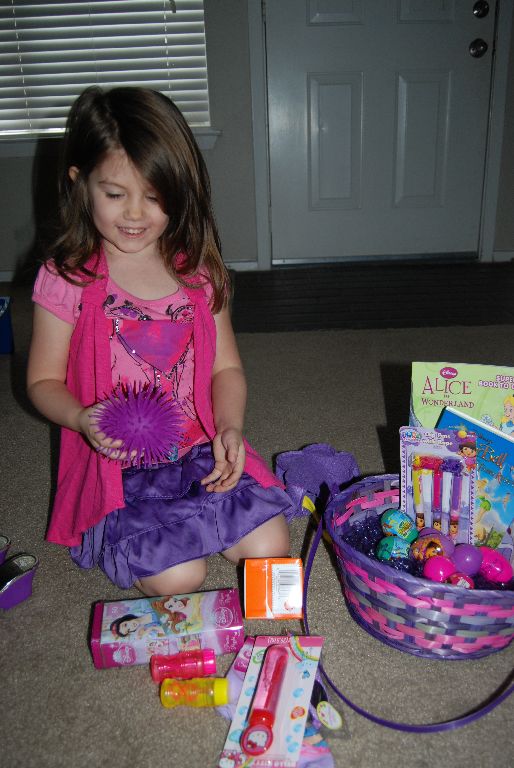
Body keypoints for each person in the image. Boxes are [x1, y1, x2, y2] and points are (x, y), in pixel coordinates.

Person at [27, 86, 291, 596]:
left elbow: (226, 368)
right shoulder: (68, 279)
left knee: (270, 545)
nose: (135, 214)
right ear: (80, 183)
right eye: (114, 194)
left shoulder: (199, 273)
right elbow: (41, 381)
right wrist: (80, 418)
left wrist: (230, 428)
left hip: (199, 450)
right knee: (180, 577)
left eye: (153, 196)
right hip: (119, 470)